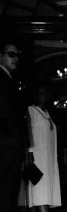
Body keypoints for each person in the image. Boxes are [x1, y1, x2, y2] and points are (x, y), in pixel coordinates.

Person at [25, 84, 61, 212]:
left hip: (49, 159)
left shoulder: (47, 113)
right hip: (37, 157)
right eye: (40, 93)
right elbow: (28, 131)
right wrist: (30, 152)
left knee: (46, 190)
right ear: (35, 96)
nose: (43, 96)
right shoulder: (31, 110)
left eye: (45, 93)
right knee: (38, 191)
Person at [0, 42, 25, 212]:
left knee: (9, 193)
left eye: (17, 55)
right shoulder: (2, 79)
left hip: (9, 146)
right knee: (6, 193)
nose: (15, 58)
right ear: (0, 56)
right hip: (5, 146)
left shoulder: (9, 79)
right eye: (11, 54)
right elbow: (5, 112)